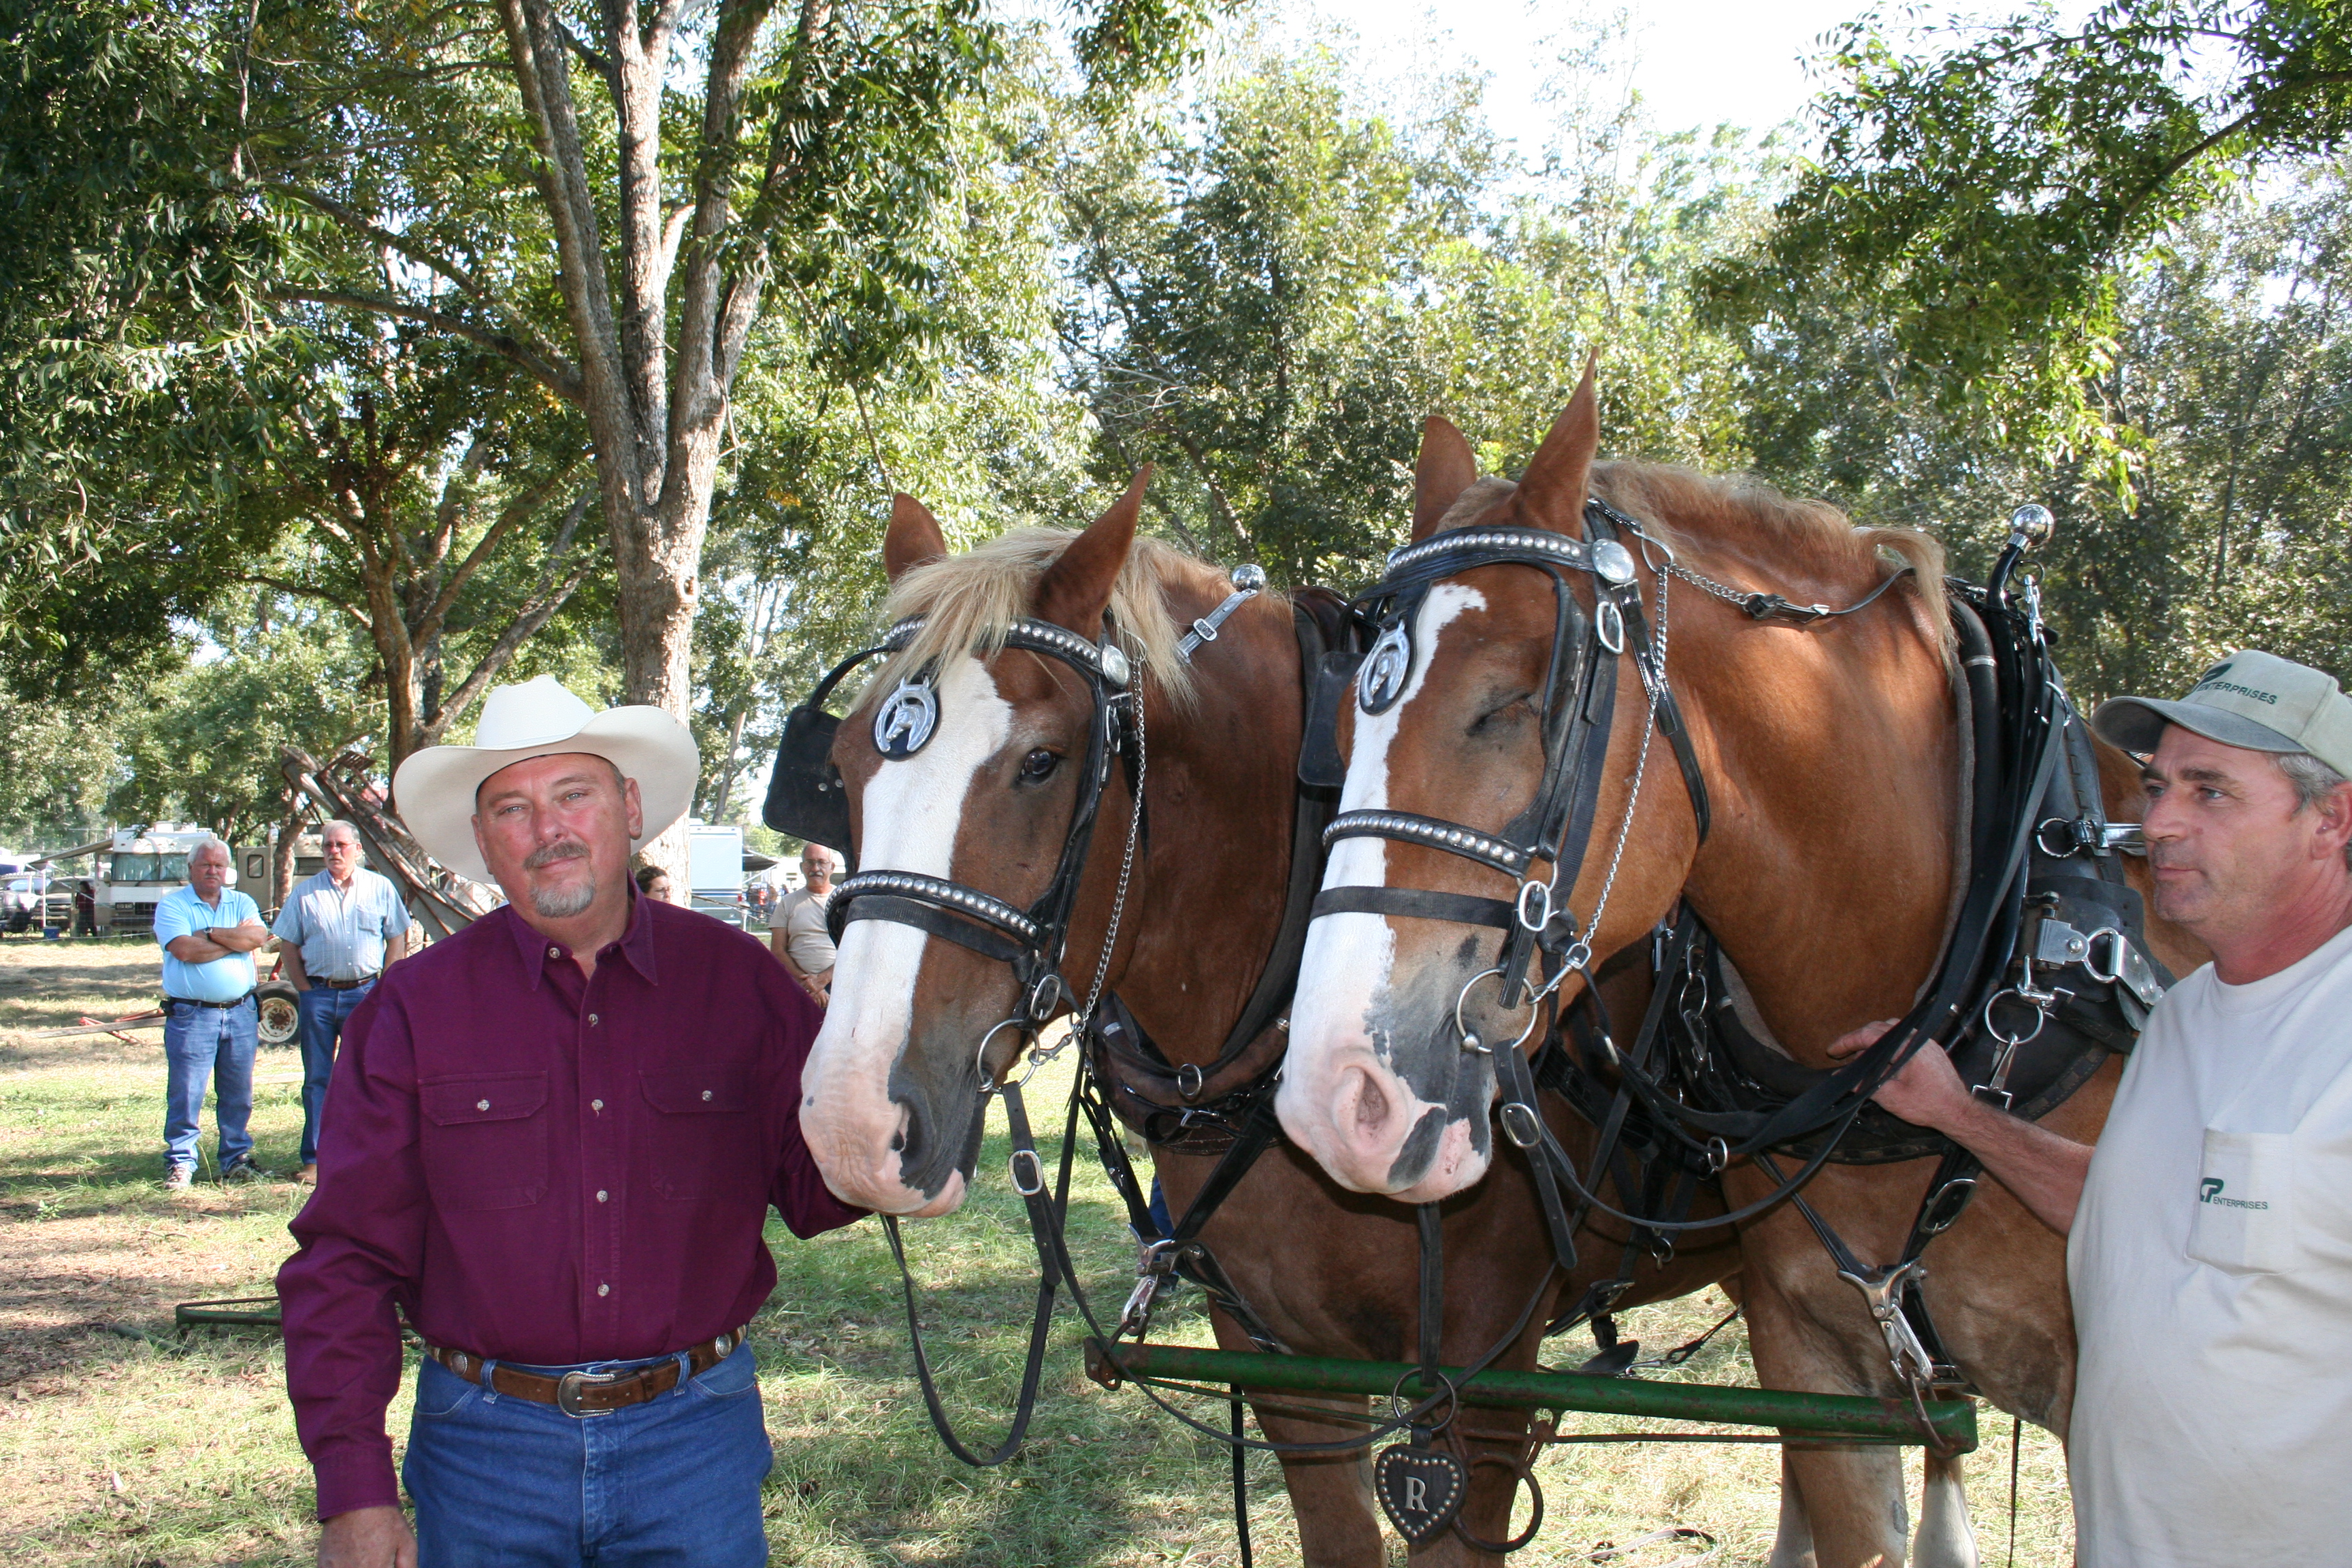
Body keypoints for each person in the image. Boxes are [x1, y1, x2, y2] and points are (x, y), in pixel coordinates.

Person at [278, 675, 862, 1568]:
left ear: (628, 807)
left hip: (695, 1445)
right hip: (482, 1454)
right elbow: (344, 1259)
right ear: (482, 841)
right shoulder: (410, 1012)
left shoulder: (741, 984)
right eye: (512, 808)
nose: (547, 829)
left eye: (573, 795)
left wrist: (919, 1098)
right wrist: (353, 1489)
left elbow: (820, 1189)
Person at [1831, 649, 2352, 1568]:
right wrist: (1953, 1112)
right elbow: (2134, 1202)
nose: (2158, 824)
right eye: (2157, 788)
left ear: (2331, 820)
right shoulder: (2188, 1015)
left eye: (2211, 793)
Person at [274, 821, 414, 1186]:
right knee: (318, 1080)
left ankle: (372, 1156)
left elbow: (397, 935)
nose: (333, 851)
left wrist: (387, 985)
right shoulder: (305, 894)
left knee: (371, 1077)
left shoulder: (379, 887)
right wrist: (304, 991)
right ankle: (316, 1160)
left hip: (366, 995)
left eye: (340, 845)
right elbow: (289, 945)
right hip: (318, 997)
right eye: (327, 846)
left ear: (356, 849)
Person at [152, 838, 271, 1189]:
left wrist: (209, 934)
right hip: (193, 1016)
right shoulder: (173, 906)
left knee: (238, 1093)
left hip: (240, 1013)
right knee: (187, 1091)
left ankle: (235, 1160)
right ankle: (181, 1162)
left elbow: (258, 938)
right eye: (205, 865)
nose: (212, 871)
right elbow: (184, 950)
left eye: (219, 865)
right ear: (191, 868)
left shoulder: (242, 901)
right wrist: (234, 941)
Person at [768, 843, 837, 1002]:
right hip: (796, 986)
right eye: (810, 862)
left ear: (831, 867)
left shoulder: (845, 902)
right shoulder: (788, 902)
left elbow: (856, 950)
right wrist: (806, 984)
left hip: (839, 985)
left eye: (822, 862)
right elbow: (778, 950)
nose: (816, 868)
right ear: (802, 867)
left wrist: (823, 980)